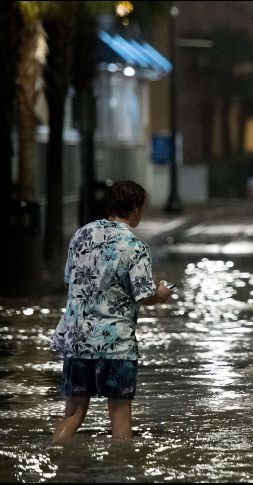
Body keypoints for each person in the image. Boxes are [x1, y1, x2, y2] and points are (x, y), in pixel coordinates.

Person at [50, 180, 173, 443]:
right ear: (136, 208)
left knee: (72, 414)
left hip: (77, 340)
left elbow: (69, 282)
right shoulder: (134, 246)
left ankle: (56, 459)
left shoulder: (81, 234)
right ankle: (120, 470)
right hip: (115, 345)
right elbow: (145, 295)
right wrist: (161, 294)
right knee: (120, 415)